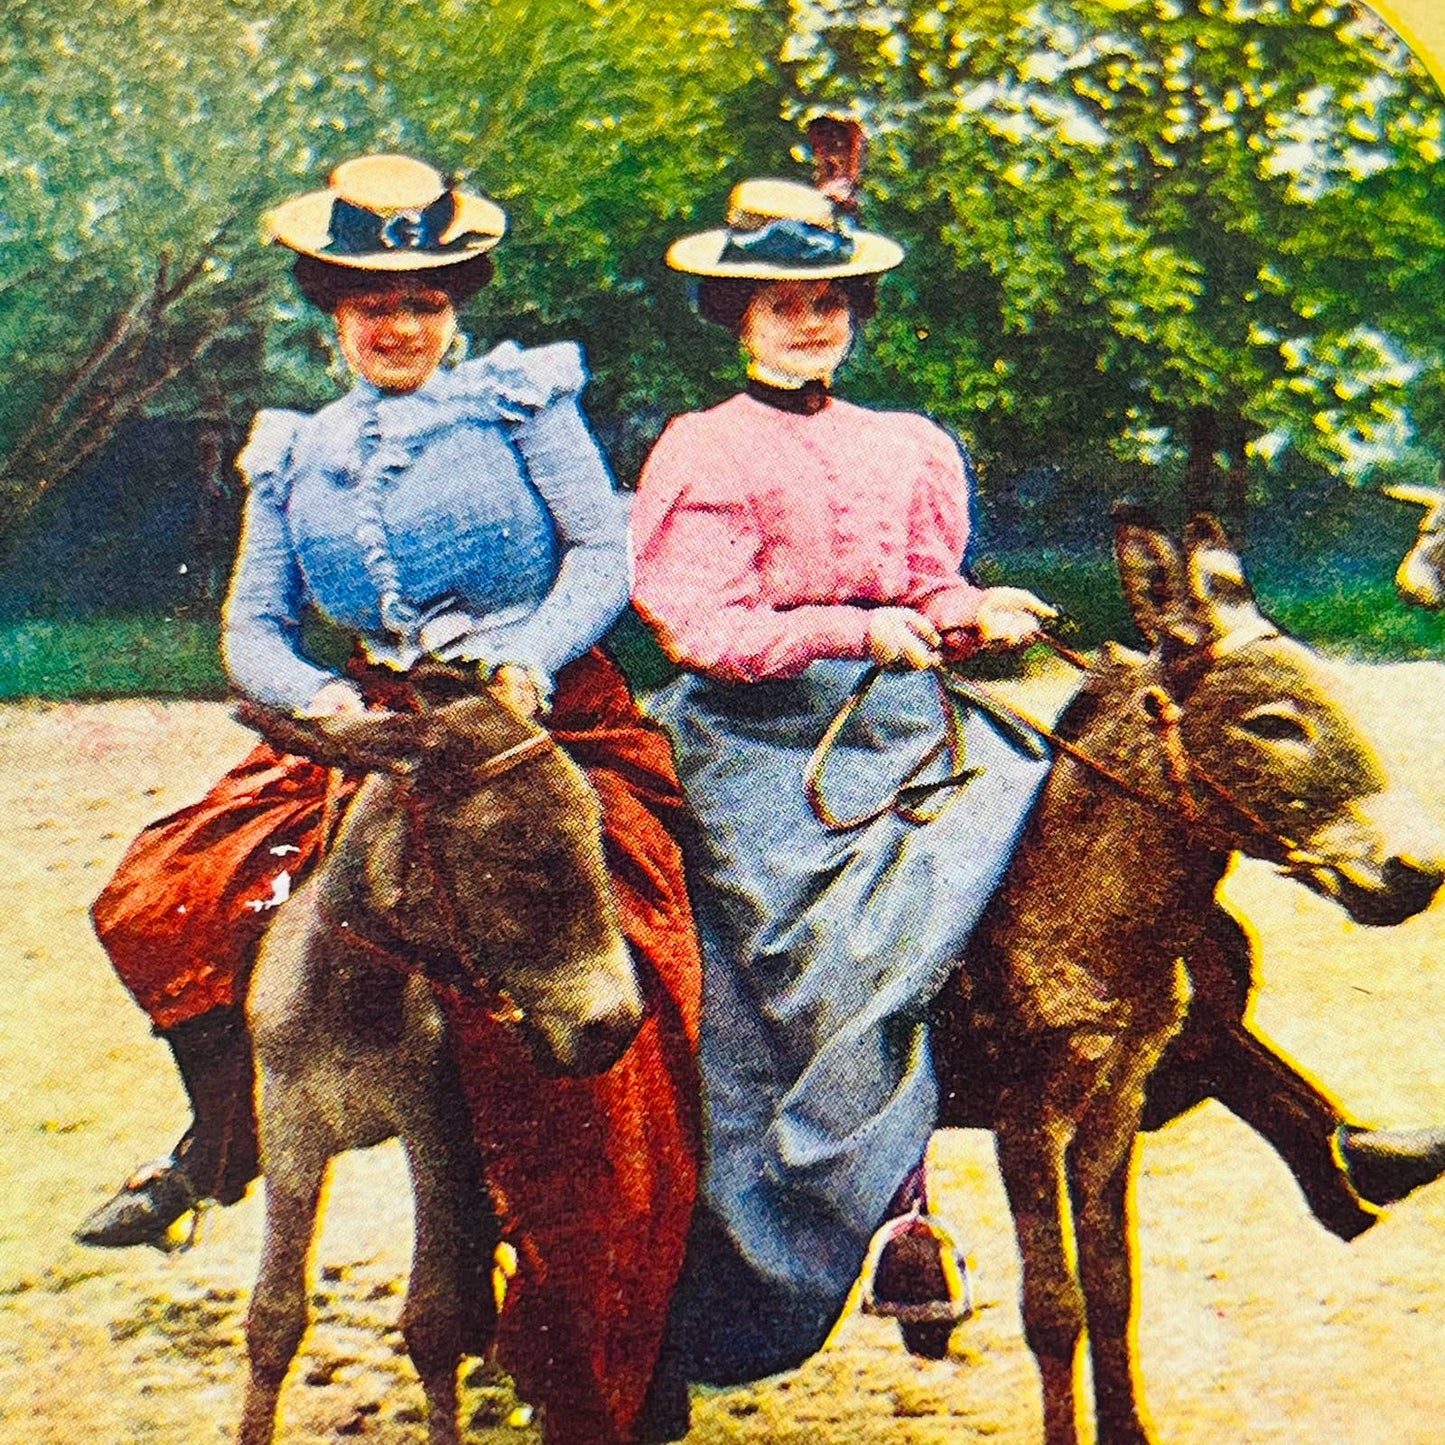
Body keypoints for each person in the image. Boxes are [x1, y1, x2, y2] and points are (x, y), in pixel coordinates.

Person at [629, 164, 1445, 1400]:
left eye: (831, 298)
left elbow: (925, 583)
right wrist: (855, 633)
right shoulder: (701, 449)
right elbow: (702, 626)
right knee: (856, 932)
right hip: (762, 744)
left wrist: (970, 606)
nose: (811, 319)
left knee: (1105, 851)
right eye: (781, 301)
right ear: (735, 316)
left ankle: (1310, 1129)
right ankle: (884, 1194)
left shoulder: (900, 442)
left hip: (913, 719)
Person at [78, 154, 701, 1445]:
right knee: (161, 893)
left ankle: (619, 1279)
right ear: (330, 311)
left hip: (543, 716)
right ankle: (224, 1133)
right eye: (369, 299)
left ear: (456, 302)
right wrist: (321, 702)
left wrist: (529, 649)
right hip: (369, 726)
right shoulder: (294, 448)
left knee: (633, 928)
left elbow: (602, 549)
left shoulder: (522, 402)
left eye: (422, 296)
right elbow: (251, 622)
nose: (398, 322)